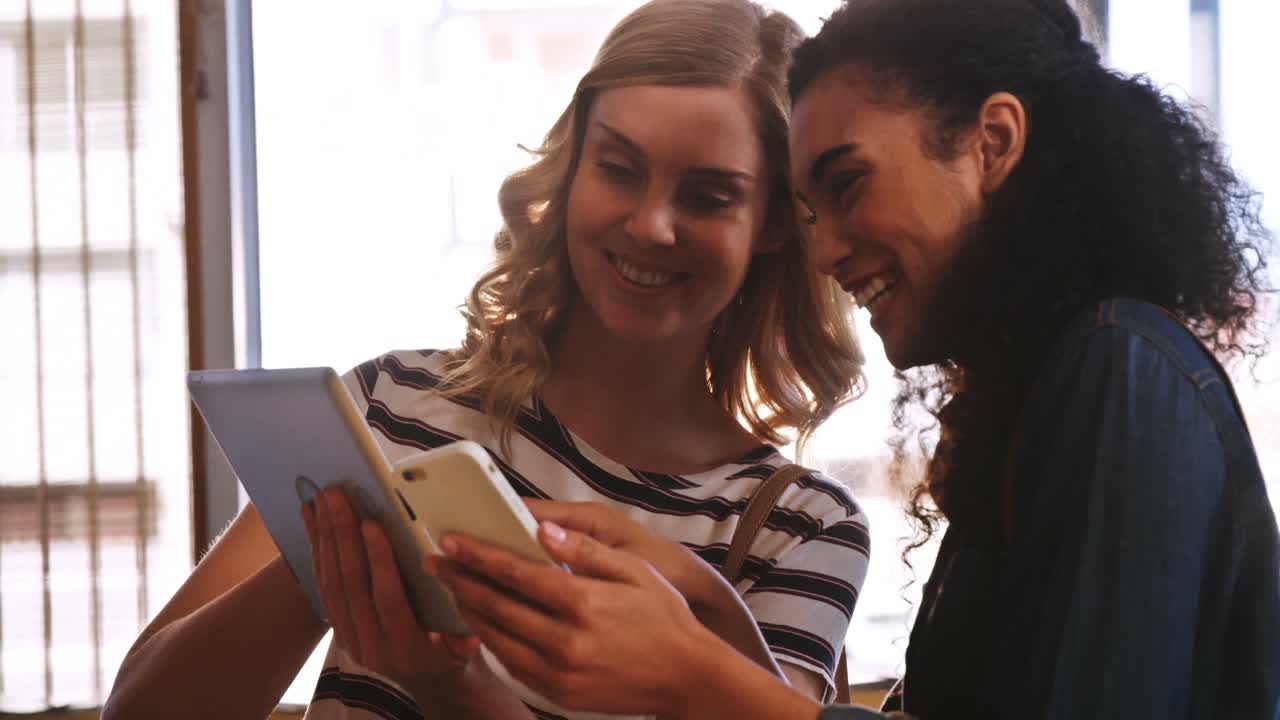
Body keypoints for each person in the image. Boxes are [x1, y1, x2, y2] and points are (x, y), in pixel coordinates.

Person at [427, 0, 1280, 718]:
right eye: (807, 209)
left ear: (992, 143)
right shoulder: (1047, 399)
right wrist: (715, 613)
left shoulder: (1118, 372)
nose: (826, 250)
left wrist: (696, 674)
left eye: (848, 185)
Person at [102, 2, 872, 719]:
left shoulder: (799, 530)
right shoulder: (390, 403)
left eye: (708, 197)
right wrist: (332, 566)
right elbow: (136, 710)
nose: (650, 225)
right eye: (619, 169)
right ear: (573, 169)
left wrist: (449, 682)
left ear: (774, 223)